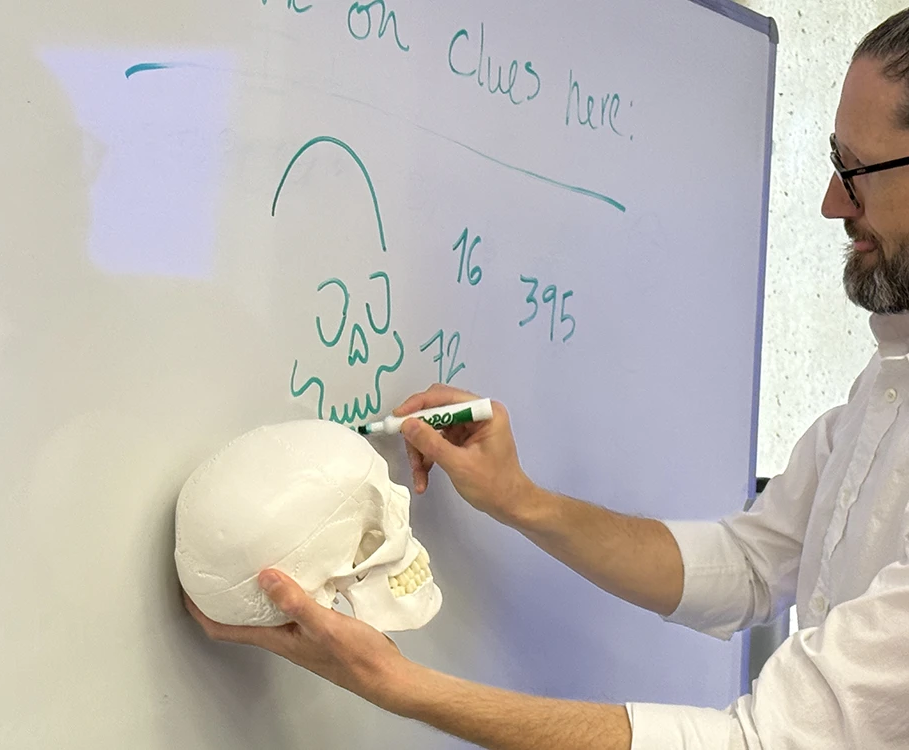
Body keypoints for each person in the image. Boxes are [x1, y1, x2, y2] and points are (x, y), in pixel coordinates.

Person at [184, 11, 909, 748]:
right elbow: (750, 566)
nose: (832, 203)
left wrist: (399, 686)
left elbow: (763, 742)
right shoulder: (884, 389)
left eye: (858, 171)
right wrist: (521, 500)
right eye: (834, 162)